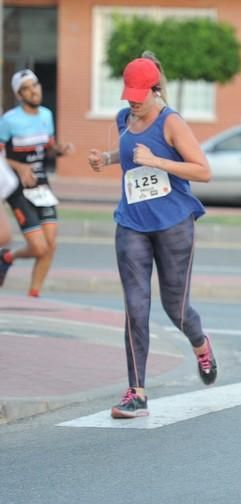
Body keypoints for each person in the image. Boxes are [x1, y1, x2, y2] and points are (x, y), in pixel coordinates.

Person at [87, 52, 217, 418]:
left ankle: (200, 341)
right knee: (135, 306)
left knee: (175, 308)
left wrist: (158, 161)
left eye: (139, 95)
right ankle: (137, 392)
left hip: (174, 223)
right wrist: (108, 159)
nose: (133, 101)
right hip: (131, 222)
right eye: (128, 94)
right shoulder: (123, 119)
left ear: (154, 89)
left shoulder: (171, 122)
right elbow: (131, 155)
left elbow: (203, 171)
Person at [0, 69, 74, 296]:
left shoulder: (46, 115)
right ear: (19, 95)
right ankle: (6, 257)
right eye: (27, 88)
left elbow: (48, 146)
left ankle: (34, 294)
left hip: (42, 185)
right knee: (38, 246)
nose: (34, 91)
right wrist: (20, 167)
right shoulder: (9, 120)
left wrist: (59, 150)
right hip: (18, 188)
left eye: (36, 85)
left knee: (50, 244)